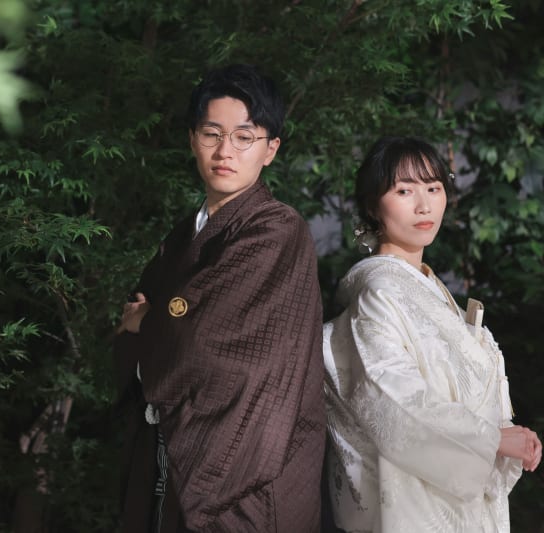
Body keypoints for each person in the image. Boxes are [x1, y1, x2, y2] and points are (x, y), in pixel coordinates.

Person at [114, 63, 326, 532]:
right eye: (212, 134)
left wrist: (148, 322)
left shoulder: (278, 229)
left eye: (243, 137)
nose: (225, 151)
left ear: (270, 149)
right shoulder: (183, 236)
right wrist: (159, 322)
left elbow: (212, 340)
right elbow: (161, 319)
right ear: (193, 139)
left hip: (251, 470)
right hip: (168, 452)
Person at [323, 136, 542, 532]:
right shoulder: (379, 292)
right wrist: (491, 439)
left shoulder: (429, 290)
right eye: (404, 190)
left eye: (433, 188)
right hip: (418, 507)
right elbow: (391, 400)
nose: (423, 205)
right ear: (372, 205)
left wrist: (506, 434)